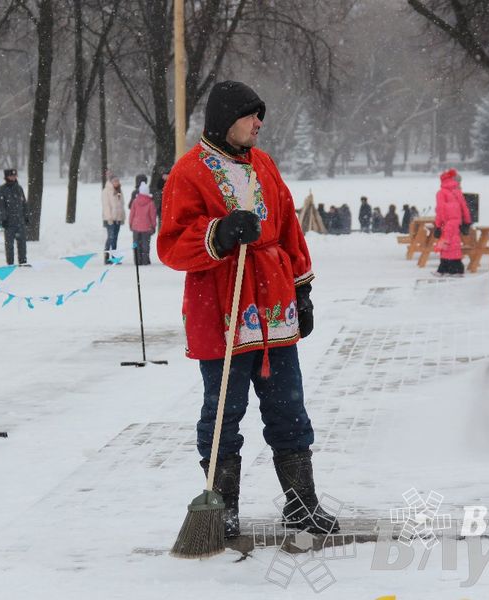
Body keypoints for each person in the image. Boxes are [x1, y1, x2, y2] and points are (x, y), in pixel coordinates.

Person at [158, 80, 339, 539]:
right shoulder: (189, 172)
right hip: (220, 310)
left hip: (273, 308)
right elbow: (172, 246)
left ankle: (301, 503)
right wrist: (217, 233)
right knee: (224, 413)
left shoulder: (265, 166)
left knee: (289, 409)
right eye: (251, 116)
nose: (259, 124)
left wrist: (302, 289)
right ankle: (222, 508)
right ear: (225, 120)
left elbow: (290, 231)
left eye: (261, 116)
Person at [433, 168, 471, 276]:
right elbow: (465, 208)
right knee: (454, 245)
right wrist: (467, 222)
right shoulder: (457, 192)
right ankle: (453, 268)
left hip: (447, 223)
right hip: (456, 223)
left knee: (445, 246)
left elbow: (440, 210)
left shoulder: (441, 193)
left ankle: (447, 268)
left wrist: (438, 225)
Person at [0, 168, 28, 265]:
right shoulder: (2, 190)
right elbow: (0, 206)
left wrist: (26, 216)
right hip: (9, 222)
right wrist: (3, 219)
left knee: (22, 243)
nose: (13, 177)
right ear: (6, 177)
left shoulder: (19, 188)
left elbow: (24, 204)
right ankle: (10, 263)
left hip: (20, 221)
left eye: (14, 176)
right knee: (9, 245)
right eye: (11, 176)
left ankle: (23, 261)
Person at [129, 181, 156, 265]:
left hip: (136, 227)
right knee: (145, 245)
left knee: (136, 245)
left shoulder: (135, 201)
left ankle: (137, 261)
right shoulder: (151, 203)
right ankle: (145, 261)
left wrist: (130, 224)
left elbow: (132, 214)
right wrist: (153, 226)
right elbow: (153, 216)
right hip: (147, 227)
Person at [102, 175, 125, 263]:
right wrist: (109, 218)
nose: (117, 183)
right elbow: (106, 206)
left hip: (118, 219)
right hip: (110, 219)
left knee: (115, 238)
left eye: (118, 181)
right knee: (110, 238)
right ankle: (106, 257)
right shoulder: (106, 191)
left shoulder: (119, 191)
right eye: (115, 181)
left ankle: (114, 257)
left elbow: (121, 205)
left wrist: (122, 217)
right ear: (111, 182)